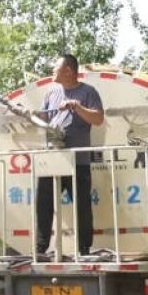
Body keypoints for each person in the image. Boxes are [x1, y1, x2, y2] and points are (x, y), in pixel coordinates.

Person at [29, 54, 104, 257]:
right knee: (43, 203)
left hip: (77, 160)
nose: (53, 71)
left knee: (81, 205)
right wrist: (29, 114)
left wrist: (76, 107)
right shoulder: (51, 93)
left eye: (56, 68)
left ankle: (83, 249)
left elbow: (98, 119)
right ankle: (41, 248)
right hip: (53, 159)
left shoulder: (88, 92)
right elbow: (45, 117)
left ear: (69, 70)